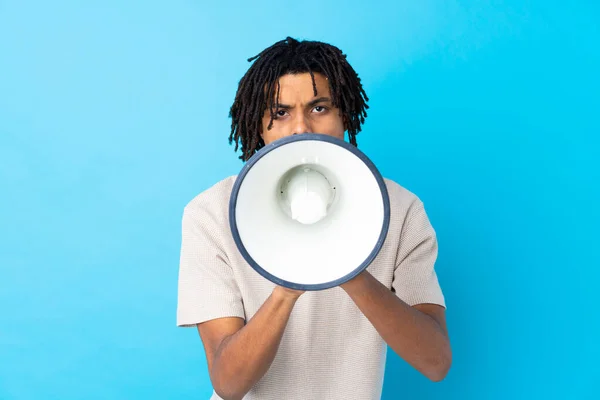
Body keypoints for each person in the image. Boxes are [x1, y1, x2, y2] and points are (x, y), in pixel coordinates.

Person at [177, 37, 451, 400]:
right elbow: (229, 383)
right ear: (258, 125)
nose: (301, 129)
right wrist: (286, 289)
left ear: (345, 115)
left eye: (319, 108)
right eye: (280, 112)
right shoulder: (211, 213)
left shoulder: (400, 209)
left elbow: (435, 362)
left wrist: (349, 270)